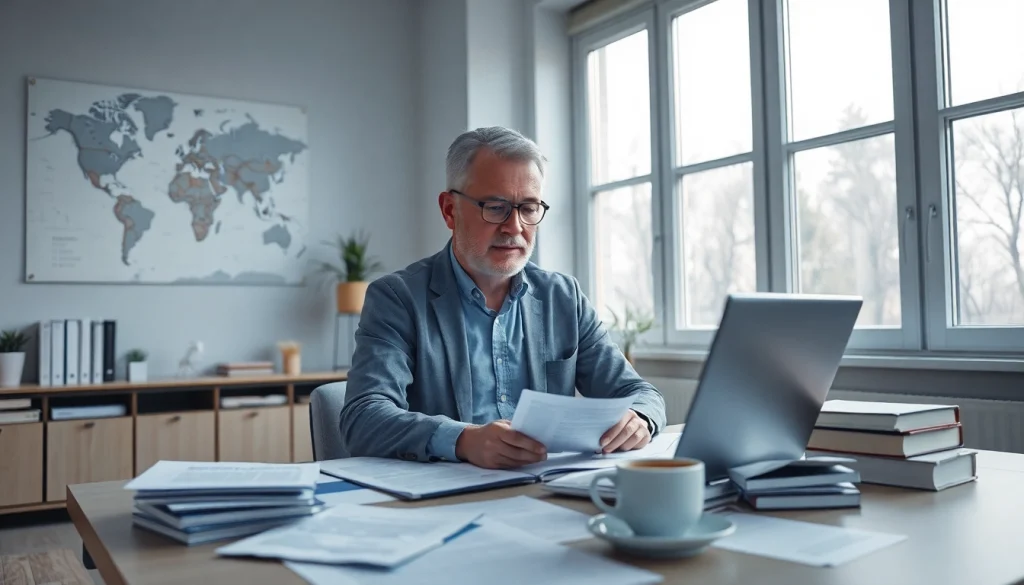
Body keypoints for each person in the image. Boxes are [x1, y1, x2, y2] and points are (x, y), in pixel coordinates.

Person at [339, 126, 666, 469]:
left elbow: (642, 395)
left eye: (528, 208)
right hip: (446, 501)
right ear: (450, 210)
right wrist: (464, 440)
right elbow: (363, 418)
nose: (515, 227)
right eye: (496, 208)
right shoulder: (397, 298)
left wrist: (638, 418)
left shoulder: (563, 298)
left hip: (547, 495)